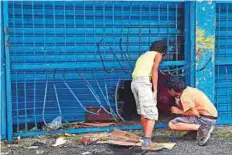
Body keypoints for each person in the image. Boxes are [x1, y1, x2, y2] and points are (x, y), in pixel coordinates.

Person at [131, 40, 167, 148]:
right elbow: (154, 71)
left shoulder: (143, 55)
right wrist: (155, 89)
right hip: (143, 83)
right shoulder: (157, 55)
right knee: (152, 113)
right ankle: (147, 142)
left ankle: (146, 136)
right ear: (163, 51)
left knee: (143, 112)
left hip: (134, 83)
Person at [166, 76, 218, 146]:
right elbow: (190, 110)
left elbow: (194, 113)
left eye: (168, 90)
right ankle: (195, 131)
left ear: (172, 90)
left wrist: (178, 111)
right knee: (185, 114)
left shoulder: (185, 97)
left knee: (171, 124)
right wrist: (178, 104)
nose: (168, 92)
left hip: (205, 119)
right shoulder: (189, 90)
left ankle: (202, 128)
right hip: (210, 118)